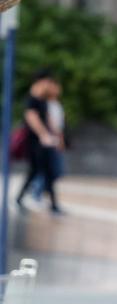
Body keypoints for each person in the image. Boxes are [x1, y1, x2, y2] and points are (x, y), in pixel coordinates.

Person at [16, 69, 62, 215]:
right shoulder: (33, 98)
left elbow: (48, 118)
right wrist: (44, 135)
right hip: (36, 142)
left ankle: (22, 199)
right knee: (43, 170)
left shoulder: (42, 99)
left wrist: (56, 134)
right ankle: (52, 205)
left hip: (43, 141)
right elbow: (31, 117)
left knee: (39, 171)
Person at [32, 80, 66, 202]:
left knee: (54, 171)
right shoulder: (45, 104)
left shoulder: (56, 104)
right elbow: (49, 123)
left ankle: (40, 191)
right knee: (51, 170)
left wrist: (60, 139)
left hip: (54, 140)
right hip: (48, 141)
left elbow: (59, 124)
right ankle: (37, 191)